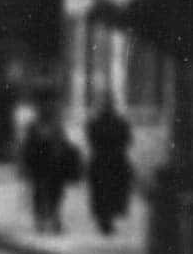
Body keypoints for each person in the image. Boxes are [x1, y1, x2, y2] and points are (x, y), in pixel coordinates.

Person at [18, 105, 80, 234]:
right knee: (41, 194)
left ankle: (52, 219)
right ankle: (42, 220)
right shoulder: (35, 127)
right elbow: (28, 147)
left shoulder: (53, 127)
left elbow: (63, 144)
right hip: (40, 166)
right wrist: (26, 165)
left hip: (53, 166)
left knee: (54, 194)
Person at [85, 96, 134, 237]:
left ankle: (106, 219)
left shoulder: (102, 123)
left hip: (108, 161)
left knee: (108, 193)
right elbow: (126, 139)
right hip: (109, 161)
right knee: (105, 193)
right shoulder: (113, 123)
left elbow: (126, 139)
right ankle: (106, 220)